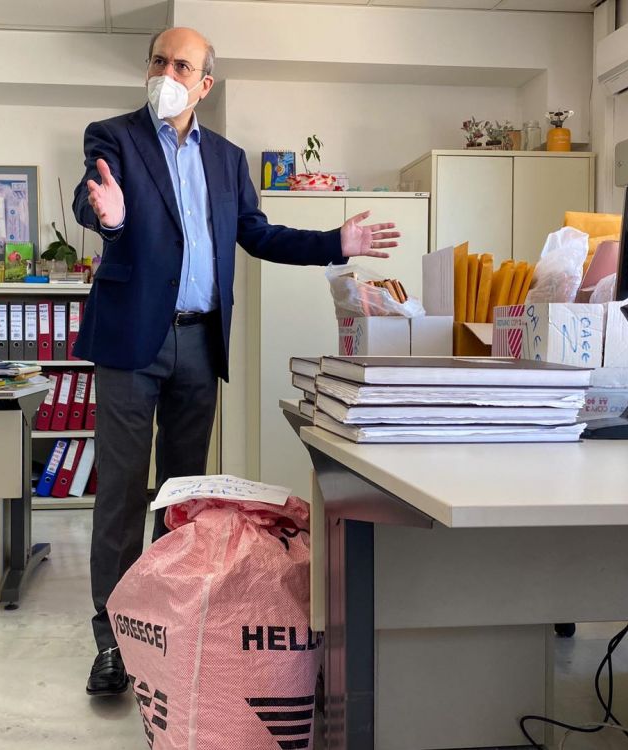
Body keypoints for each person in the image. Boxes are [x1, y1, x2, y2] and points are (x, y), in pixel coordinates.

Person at [72, 26, 399, 697]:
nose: (166, 74)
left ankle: (167, 622)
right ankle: (112, 638)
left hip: (199, 341)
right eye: (159, 61)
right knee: (123, 490)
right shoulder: (114, 136)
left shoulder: (226, 158)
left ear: (205, 84)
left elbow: (258, 234)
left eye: (181, 65)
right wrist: (108, 218)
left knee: (182, 494)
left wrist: (334, 242)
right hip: (130, 341)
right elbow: (92, 196)